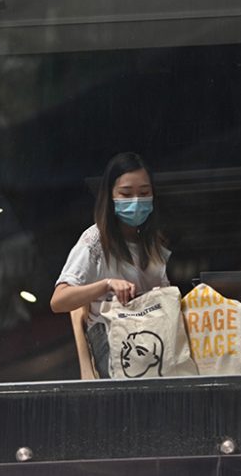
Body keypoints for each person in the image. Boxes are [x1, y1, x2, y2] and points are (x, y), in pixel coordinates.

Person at [51, 152, 171, 377]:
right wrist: (106, 285)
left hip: (153, 334)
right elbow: (59, 301)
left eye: (144, 193)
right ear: (110, 195)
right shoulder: (95, 240)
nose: (136, 201)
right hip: (115, 338)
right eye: (126, 193)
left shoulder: (153, 243)